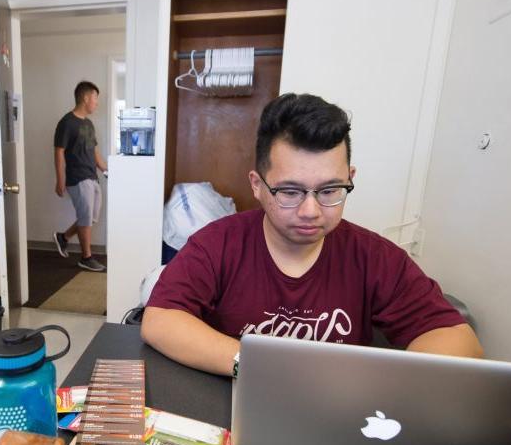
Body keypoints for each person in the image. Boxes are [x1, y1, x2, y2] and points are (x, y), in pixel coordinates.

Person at [142, 93, 483, 377]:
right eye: (290, 192)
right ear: (258, 185)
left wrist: (380, 383)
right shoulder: (218, 244)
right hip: (234, 409)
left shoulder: (375, 257)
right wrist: (266, 368)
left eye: (330, 190)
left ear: (349, 177)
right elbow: (160, 320)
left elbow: (458, 338)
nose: (311, 210)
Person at [53, 81, 108, 272]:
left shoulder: (88, 124)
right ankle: (86, 257)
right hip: (77, 177)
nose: (97, 103)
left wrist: (107, 171)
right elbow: (59, 152)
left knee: (91, 217)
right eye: (95, 98)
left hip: (92, 176)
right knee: (85, 218)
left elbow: (94, 152)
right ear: (86, 98)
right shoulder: (66, 123)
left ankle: (63, 237)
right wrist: (60, 180)